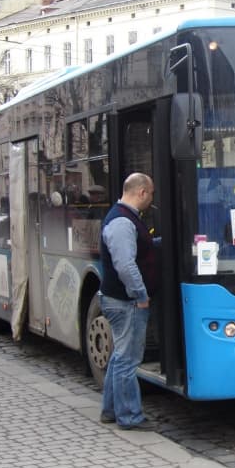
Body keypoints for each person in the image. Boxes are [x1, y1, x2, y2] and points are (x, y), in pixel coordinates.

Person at [99, 173, 160, 430]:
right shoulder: (123, 222)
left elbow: (135, 250)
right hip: (126, 301)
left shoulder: (123, 217)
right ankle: (130, 416)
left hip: (119, 299)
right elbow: (125, 265)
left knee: (118, 357)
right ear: (142, 192)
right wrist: (141, 295)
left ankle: (110, 410)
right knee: (128, 360)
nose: (152, 199)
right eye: (152, 194)